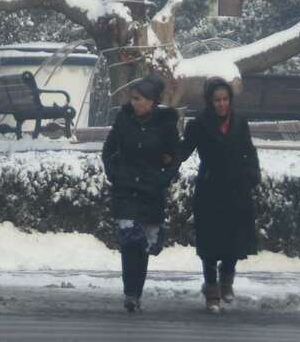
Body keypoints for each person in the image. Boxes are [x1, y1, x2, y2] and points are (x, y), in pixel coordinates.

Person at [177, 76, 260, 313]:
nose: (222, 104)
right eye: (217, 100)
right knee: (209, 243)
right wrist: (167, 157)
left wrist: (253, 173)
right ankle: (212, 289)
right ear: (210, 101)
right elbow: (184, 150)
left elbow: (248, 150)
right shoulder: (199, 124)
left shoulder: (240, 121)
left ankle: (226, 281)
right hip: (210, 188)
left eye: (225, 99)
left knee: (234, 240)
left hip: (237, 188)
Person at [100, 73, 180, 313]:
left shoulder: (165, 124)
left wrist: (162, 178)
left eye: (139, 98)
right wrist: (114, 172)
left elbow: (174, 156)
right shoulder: (124, 120)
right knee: (128, 242)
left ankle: (137, 290)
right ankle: (130, 293)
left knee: (143, 244)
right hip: (126, 189)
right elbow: (109, 149)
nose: (134, 103)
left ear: (152, 101)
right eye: (132, 98)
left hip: (150, 190)